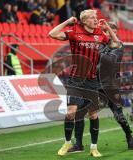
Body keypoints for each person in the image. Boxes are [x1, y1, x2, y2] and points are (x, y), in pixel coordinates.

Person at [48, 9, 119, 157]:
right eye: (92, 18)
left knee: (93, 115)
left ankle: (94, 147)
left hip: (92, 81)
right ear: (85, 20)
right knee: (71, 112)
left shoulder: (100, 33)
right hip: (75, 80)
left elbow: (116, 44)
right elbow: (52, 34)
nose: (96, 20)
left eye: (96, 17)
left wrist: (107, 29)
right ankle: (67, 143)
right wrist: (68, 21)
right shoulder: (74, 31)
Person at [98, 22, 133, 150]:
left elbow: (110, 61)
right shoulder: (101, 46)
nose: (110, 33)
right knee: (88, 112)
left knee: (118, 114)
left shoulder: (119, 47)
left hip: (111, 84)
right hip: (96, 83)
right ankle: (80, 143)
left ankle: (129, 135)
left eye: (113, 31)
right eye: (109, 31)